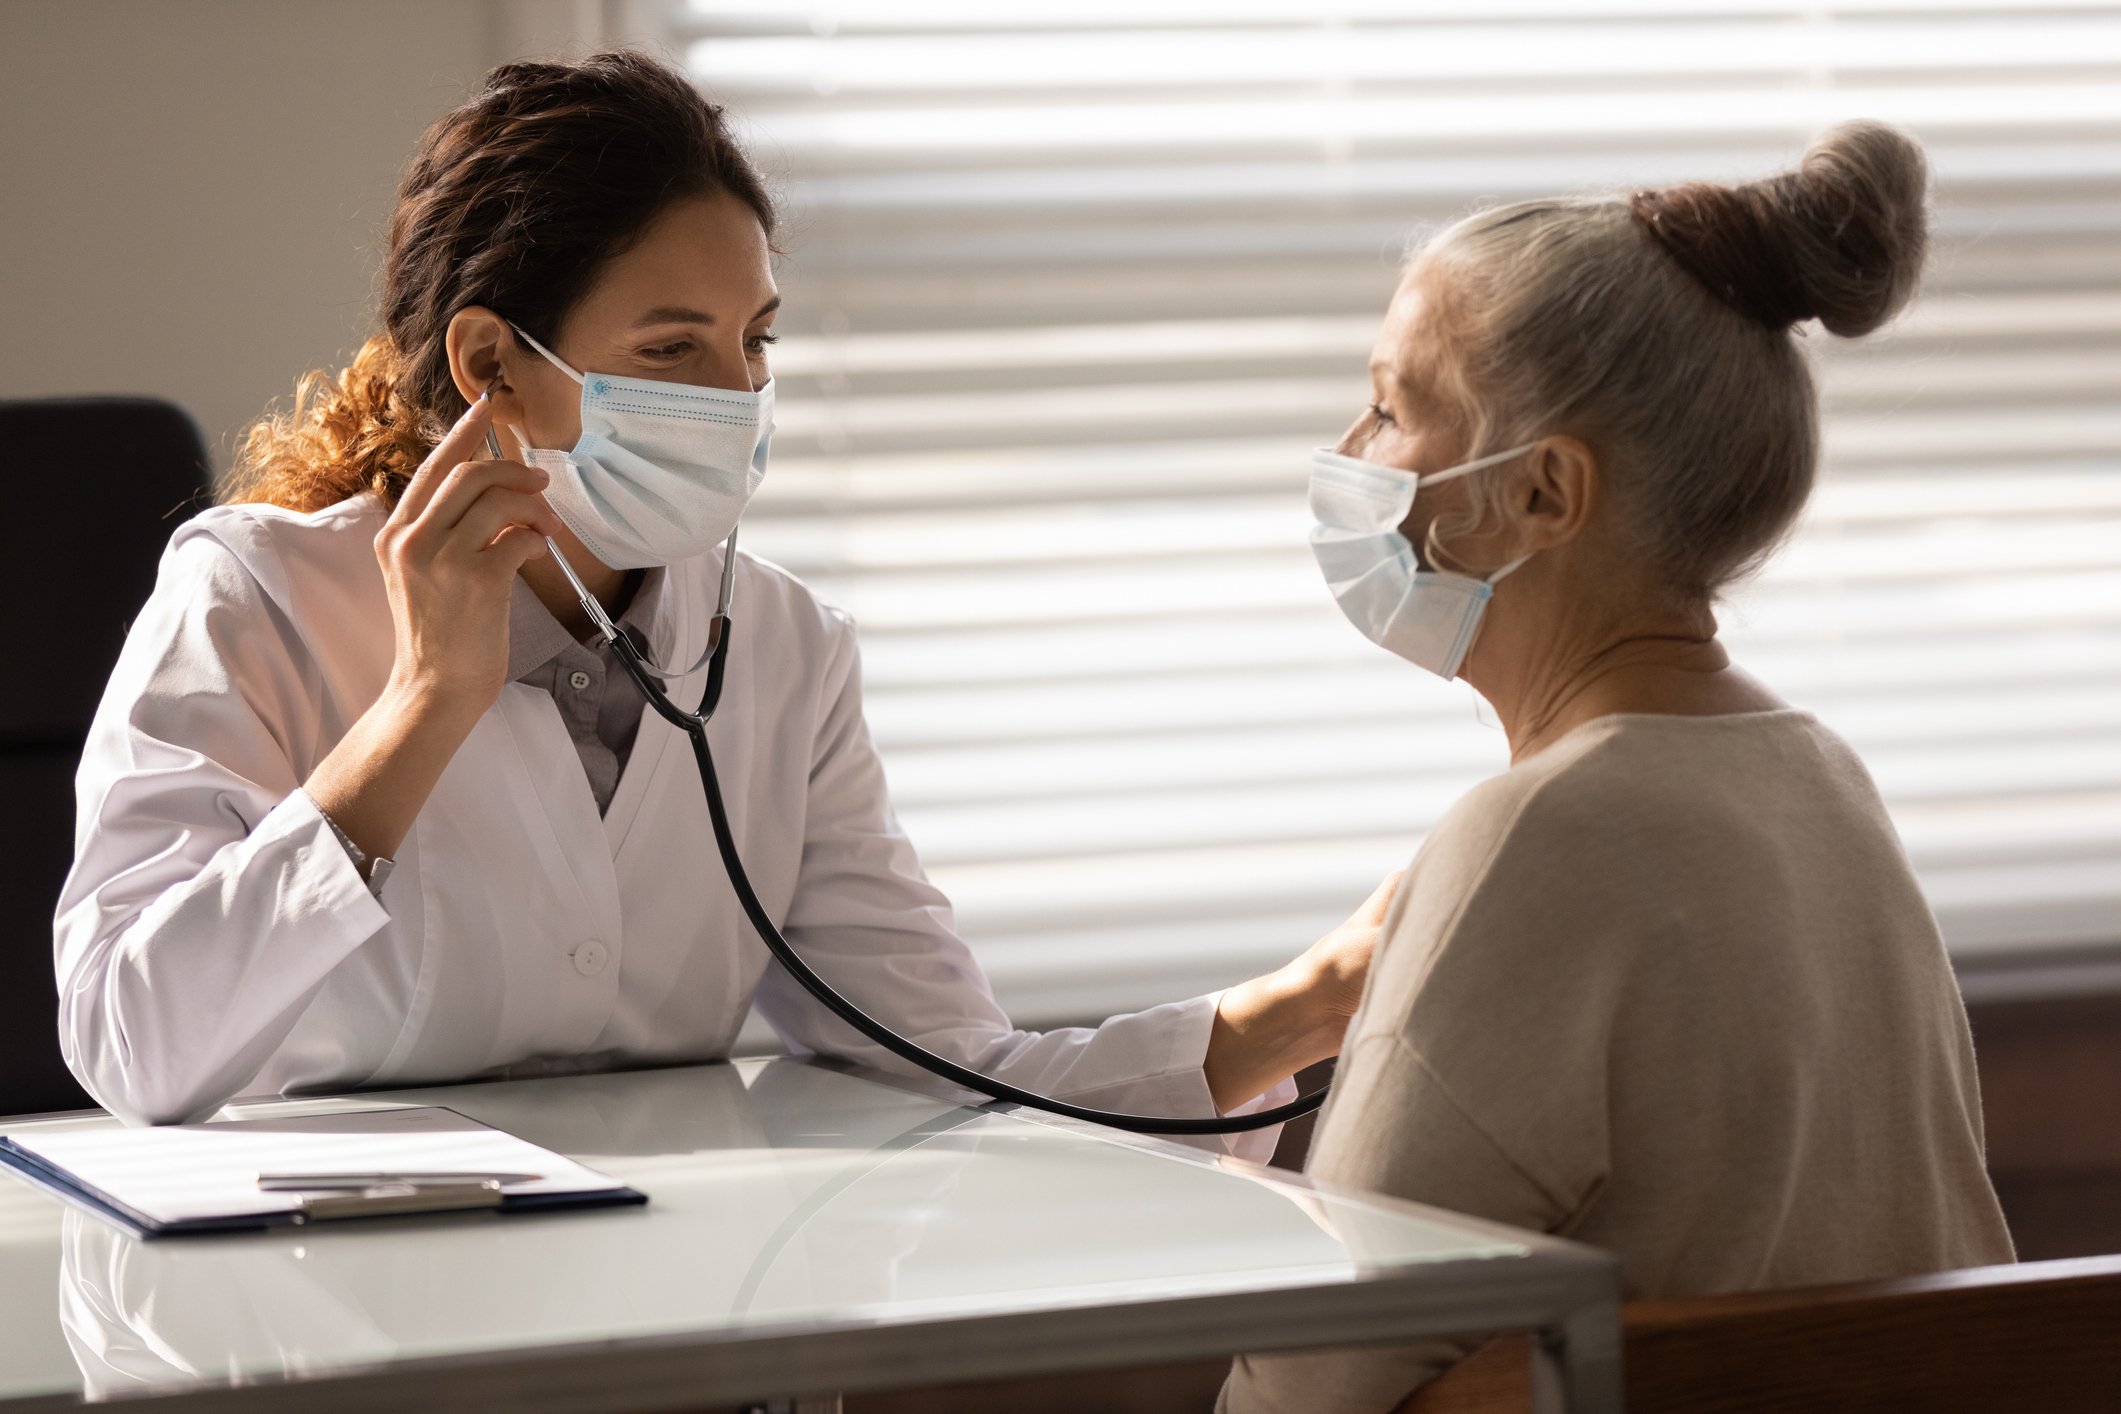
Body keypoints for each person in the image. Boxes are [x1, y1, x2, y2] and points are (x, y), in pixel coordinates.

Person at [54, 51, 1387, 1147]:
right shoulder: (258, 598)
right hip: (336, 1329)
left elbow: (957, 1070)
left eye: (754, 340)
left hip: (686, 1320)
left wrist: (1306, 1002)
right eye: (672, 348)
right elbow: (131, 1040)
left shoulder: (786, 650)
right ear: (489, 367)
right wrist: (421, 708)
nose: (739, 397)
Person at [1221, 122, 2016, 1412]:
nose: (1350, 456)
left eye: (1388, 406)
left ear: (1542, 493)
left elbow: (1314, 1384)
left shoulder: (1541, 835)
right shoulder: (1821, 781)